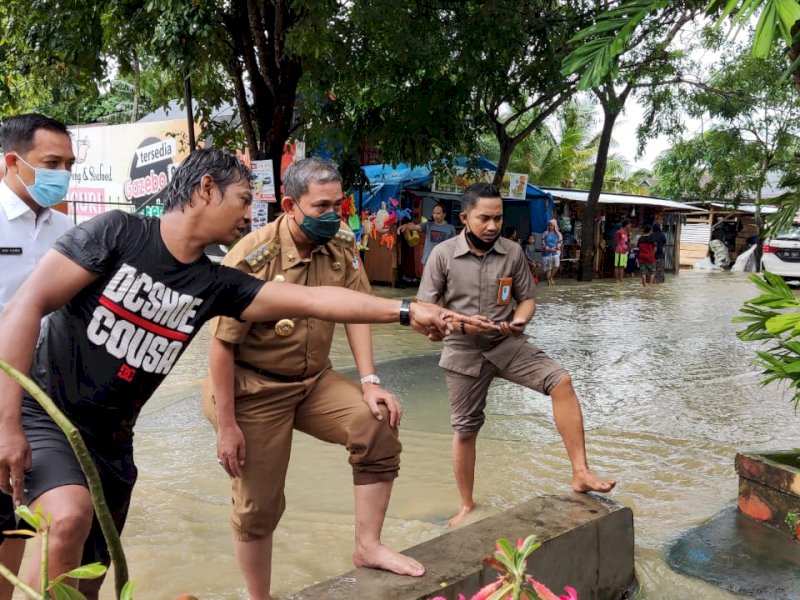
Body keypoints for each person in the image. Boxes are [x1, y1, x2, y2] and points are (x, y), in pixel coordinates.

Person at [0, 149, 491, 599]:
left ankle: (368, 543)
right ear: (206, 189)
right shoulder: (117, 232)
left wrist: (406, 311)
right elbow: (29, 304)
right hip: (47, 411)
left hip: (113, 437)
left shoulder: (215, 282)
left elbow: (319, 301)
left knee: (91, 568)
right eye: (241, 199)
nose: (246, 212)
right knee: (68, 518)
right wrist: (8, 424)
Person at [202, 158, 426, 600]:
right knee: (258, 504)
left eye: (338, 205)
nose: (333, 215)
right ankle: (258, 597)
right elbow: (222, 345)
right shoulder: (252, 256)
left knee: (376, 422)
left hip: (312, 381)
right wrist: (227, 426)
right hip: (253, 389)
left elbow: (356, 311)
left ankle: (368, 546)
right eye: (321, 206)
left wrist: (369, 380)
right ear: (290, 204)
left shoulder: (340, 244)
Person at [417, 182, 616, 528]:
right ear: (464, 217)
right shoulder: (442, 255)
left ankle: (580, 472)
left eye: (498, 218)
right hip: (463, 351)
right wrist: (463, 326)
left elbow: (526, 297)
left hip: (505, 343)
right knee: (465, 430)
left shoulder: (511, 252)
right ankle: (466, 505)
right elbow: (424, 309)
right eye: (484, 219)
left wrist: (521, 319)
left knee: (561, 380)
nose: (492, 226)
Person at [0, 113, 75, 600]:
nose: (62, 175)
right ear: (12, 161)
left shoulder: (70, 232)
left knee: (18, 516)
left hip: (44, 400)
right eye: (52, 163)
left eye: (68, 164)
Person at [541, 219, 562, 286]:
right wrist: (547, 248)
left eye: (551, 225)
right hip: (546, 253)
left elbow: (560, 242)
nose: (550, 226)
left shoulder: (559, 234)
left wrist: (554, 249)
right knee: (548, 267)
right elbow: (543, 241)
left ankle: (550, 277)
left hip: (555, 252)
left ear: (555, 226)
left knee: (556, 264)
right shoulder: (545, 233)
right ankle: (548, 282)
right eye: (549, 225)